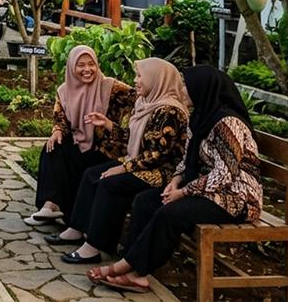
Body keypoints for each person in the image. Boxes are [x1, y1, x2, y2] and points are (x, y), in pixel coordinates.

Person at [87, 66, 262, 294]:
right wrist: (177, 180)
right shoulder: (200, 117)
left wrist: (184, 192)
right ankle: (136, 271)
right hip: (209, 189)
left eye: (187, 86)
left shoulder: (229, 123)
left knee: (171, 213)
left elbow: (224, 174)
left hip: (238, 197)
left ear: (203, 89)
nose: (182, 91)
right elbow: (187, 158)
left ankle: (129, 268)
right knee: (146, 201)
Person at [48, 58, 191, 264]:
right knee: (92, 174)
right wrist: (107, 124)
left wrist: (122, 169)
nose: (135, 81)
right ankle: (76, 229)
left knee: (111, 184)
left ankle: (94, 247)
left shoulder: (169, 110)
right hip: (139, 163)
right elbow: (132, 139)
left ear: (156, 79)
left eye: (140, 76)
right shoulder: (147, 103)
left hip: (163, 173)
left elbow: (156, 155)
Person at [27, 46, 136, 226]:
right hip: (81, 142)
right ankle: (50, 205)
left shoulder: (111, 86)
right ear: (71, 67)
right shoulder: (64, 90)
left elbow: (141, 98)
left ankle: (65, 211)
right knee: (52, 148)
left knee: (78, 160)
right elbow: (60, 118)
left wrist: (119, 125)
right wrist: (57, 131)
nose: (87, 69)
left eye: (91, 64)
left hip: (106, 149)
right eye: (81, 65)